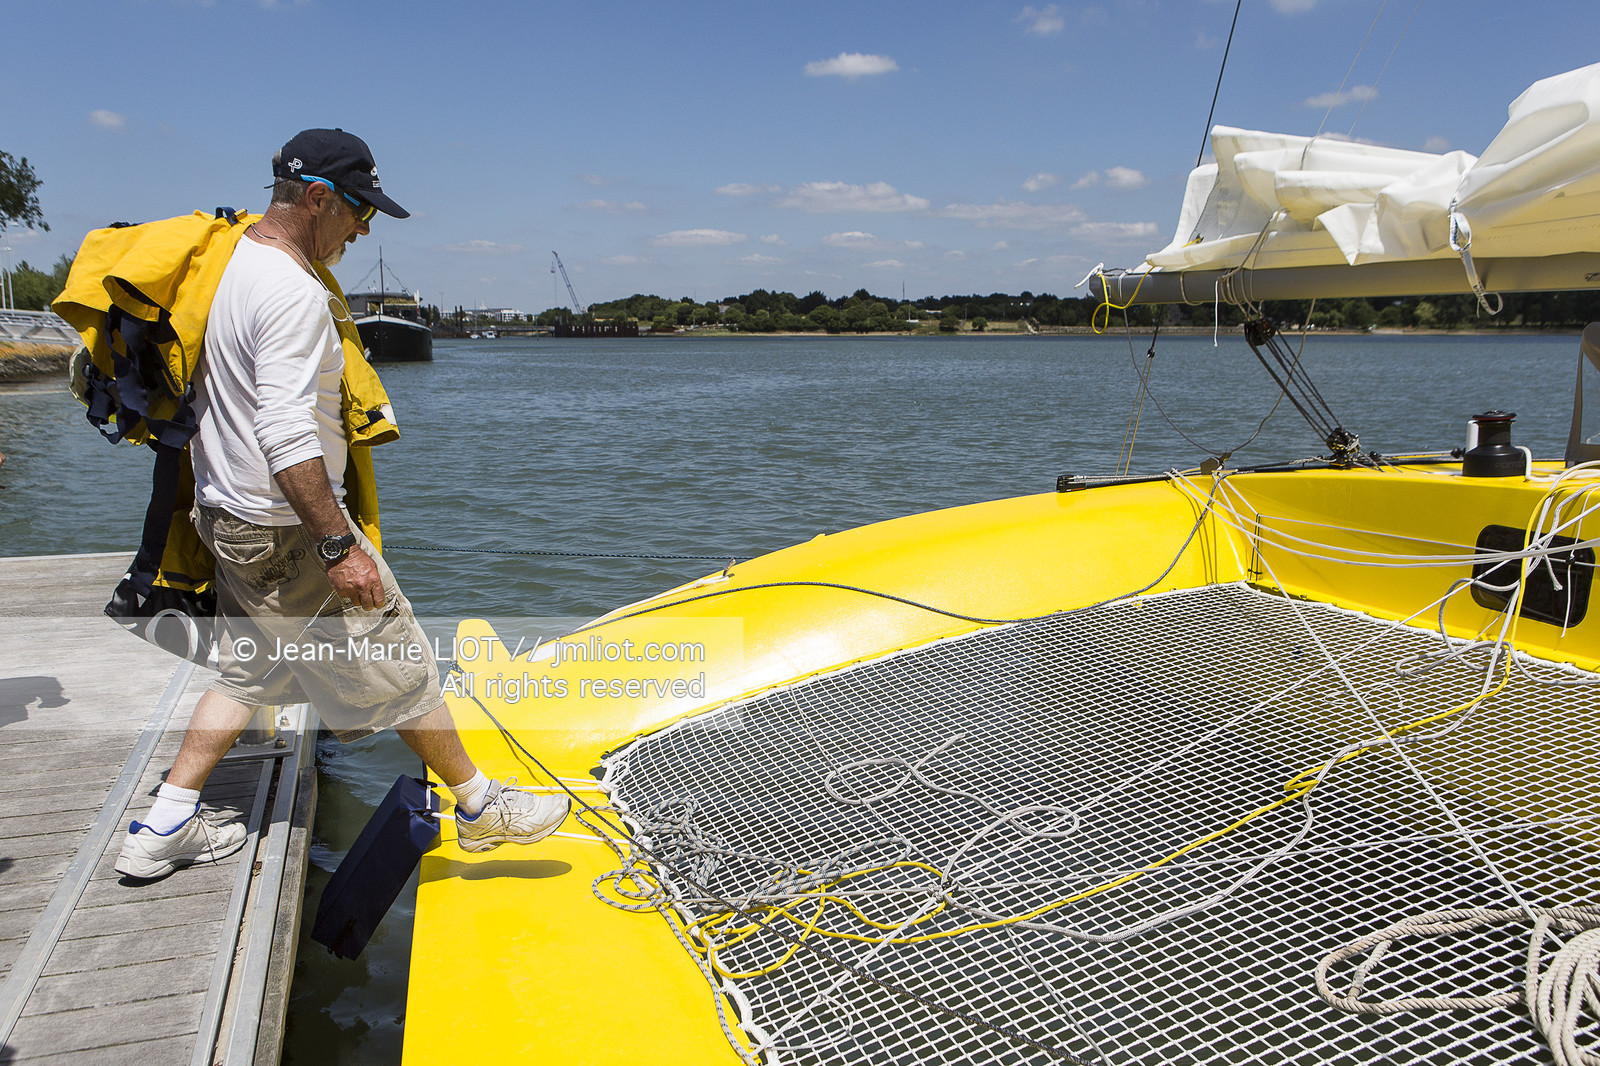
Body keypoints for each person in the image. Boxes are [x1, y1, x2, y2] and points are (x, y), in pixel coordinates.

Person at [115, 129, 567, 879]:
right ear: (319, 197)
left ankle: (163, 826)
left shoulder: (235, 263)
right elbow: (285, 433)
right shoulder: (292, 291)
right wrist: (338, 545)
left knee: (250, 669)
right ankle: (482, 808)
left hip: (230, 515)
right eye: (361, 210)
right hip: (287, 527)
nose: (364, 229)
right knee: (401, 663)